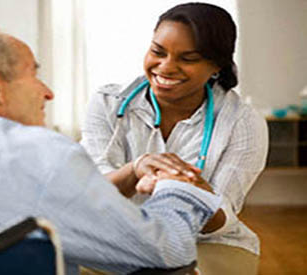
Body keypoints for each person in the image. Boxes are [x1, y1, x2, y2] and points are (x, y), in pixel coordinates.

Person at [0, 23, 222, 274]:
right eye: (33, 73)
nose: (47, 92)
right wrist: (179, 188)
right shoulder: (39, 151)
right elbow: (165, 251)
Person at [80, 3, 268, 275]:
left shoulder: (242, 122)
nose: (166, 67)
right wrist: (135, 170)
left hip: (208, 241)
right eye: (158, 51)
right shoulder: (107, 104)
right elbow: (90, 193)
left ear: (216, 66)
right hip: (120, 235)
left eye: (188, 58)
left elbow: (222, 217)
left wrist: (186, 192)